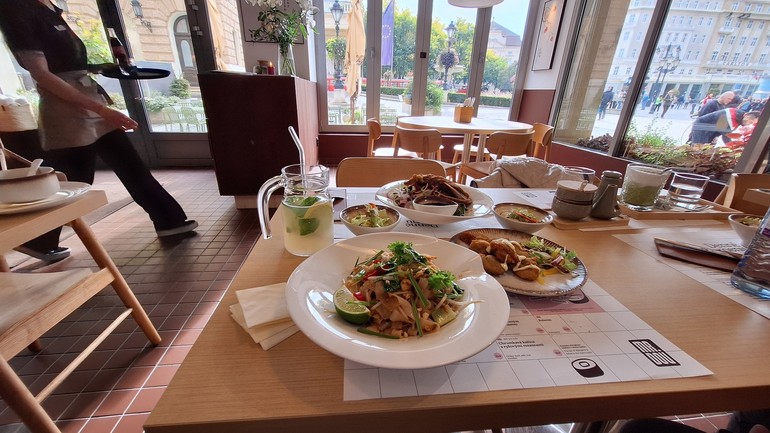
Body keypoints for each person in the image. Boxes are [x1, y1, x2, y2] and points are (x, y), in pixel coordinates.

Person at [0, 0, 197, 262]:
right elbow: (42, 75)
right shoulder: (16, 10)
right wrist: (102, 110)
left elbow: (65, 63)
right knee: (75, 178)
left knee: (126, 165)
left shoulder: (49, 9)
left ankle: (170, 220)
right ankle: (38, 239)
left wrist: (100, 68)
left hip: (87, 102)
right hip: (66, 111)